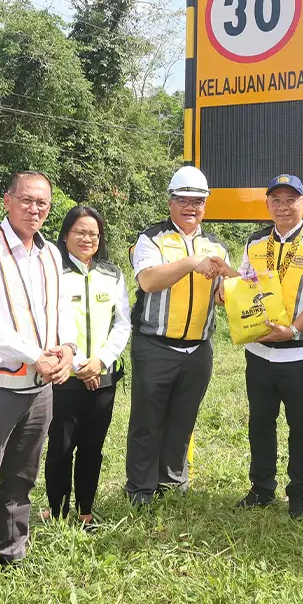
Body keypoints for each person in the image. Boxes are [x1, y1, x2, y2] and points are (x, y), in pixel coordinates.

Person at [0, 172, 77, 604]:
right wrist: (34, 354)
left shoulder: (48, 253)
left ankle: (13, 550)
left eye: (43, 203)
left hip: (38, 389)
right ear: (7, 201)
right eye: (26, 200)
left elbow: (60, 308)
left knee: (23, 478)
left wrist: (66, 348)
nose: (35, 209)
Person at [124, 165, 231, 505]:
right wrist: (190, 263)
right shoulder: (151, 238)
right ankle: (140, 489)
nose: (190, 207)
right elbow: (149, 281)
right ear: (169, 202)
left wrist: (229, 287)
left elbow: (224, 291)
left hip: (199, 348)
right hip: (155, 343)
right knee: (146, 421)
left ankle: (172, 484)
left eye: (197, 201)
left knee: (183, 419)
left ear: (206, 206)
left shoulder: (216, 245)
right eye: (182, 200)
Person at [234, 174, 303, 519]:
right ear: (268, 204)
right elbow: (241, 285)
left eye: (290, 199)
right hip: (259, 352)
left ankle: (299, 491)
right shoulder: (255, 241)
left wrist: (292, 330)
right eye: (276, 199)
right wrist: (226, 284)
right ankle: (262, 487)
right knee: (260, 422)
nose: (283, 206)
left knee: (301, 424)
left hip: (300, 353)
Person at [43, 205, 131, 527]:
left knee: (93, 448)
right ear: (65, 235)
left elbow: (123, 324)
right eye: (80, 231)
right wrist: (81, 364)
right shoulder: (53, 274)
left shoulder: (113, 274)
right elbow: (50, 321)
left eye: (93, 233)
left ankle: (85, 511)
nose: (87, 238)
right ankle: (57, 510)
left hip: (103, 377)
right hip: (64, 375)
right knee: (61, 446)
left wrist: (101, 361)